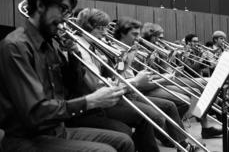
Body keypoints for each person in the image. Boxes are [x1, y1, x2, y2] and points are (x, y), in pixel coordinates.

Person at [0, 0, 134, 152]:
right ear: (40, 5)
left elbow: (74, 86)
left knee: (124, 141)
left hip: (57, 130)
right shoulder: (16, 46)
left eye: (69, 13)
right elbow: (35, 113)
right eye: (62, 10)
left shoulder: (51, 44)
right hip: (26, 139)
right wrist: (90, 101)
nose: (65, 20)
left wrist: (73, 54)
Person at [76, 9, 200, 152]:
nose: (104, 32)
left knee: (168, 107)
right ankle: (171, 139)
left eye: (105, 28)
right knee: (154, 115)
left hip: (124, 89)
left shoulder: (101, 47)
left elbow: (118, 72)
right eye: (100, 28)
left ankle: (177, 141)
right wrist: (127, 65)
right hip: (115, 95)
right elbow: (109, 78)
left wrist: (130, 61)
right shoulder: (98, 47)